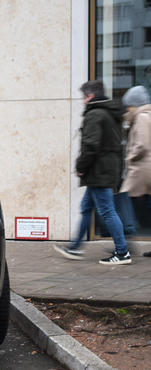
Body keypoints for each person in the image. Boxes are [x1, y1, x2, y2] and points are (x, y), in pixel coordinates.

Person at [54, 80, 131, 265]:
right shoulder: (109, 113)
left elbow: (90, 145)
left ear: (90, 96)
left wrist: (81, 167)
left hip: (98, 172)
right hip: (103, 170)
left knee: (107, 211)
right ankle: (75, 247)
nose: (82, 101)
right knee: (86, 208)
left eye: (83, 97)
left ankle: (122, 252)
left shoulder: (95, 114)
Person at [120, 85, 151, 257]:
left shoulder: (142, 117)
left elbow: (142, 144)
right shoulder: (147, 115)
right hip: (146, 169)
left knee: (124, 201)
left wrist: (130, 157)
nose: (127, 109)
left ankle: (125, 243)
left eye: (129, 105)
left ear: (135, 104)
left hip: (142, 169)